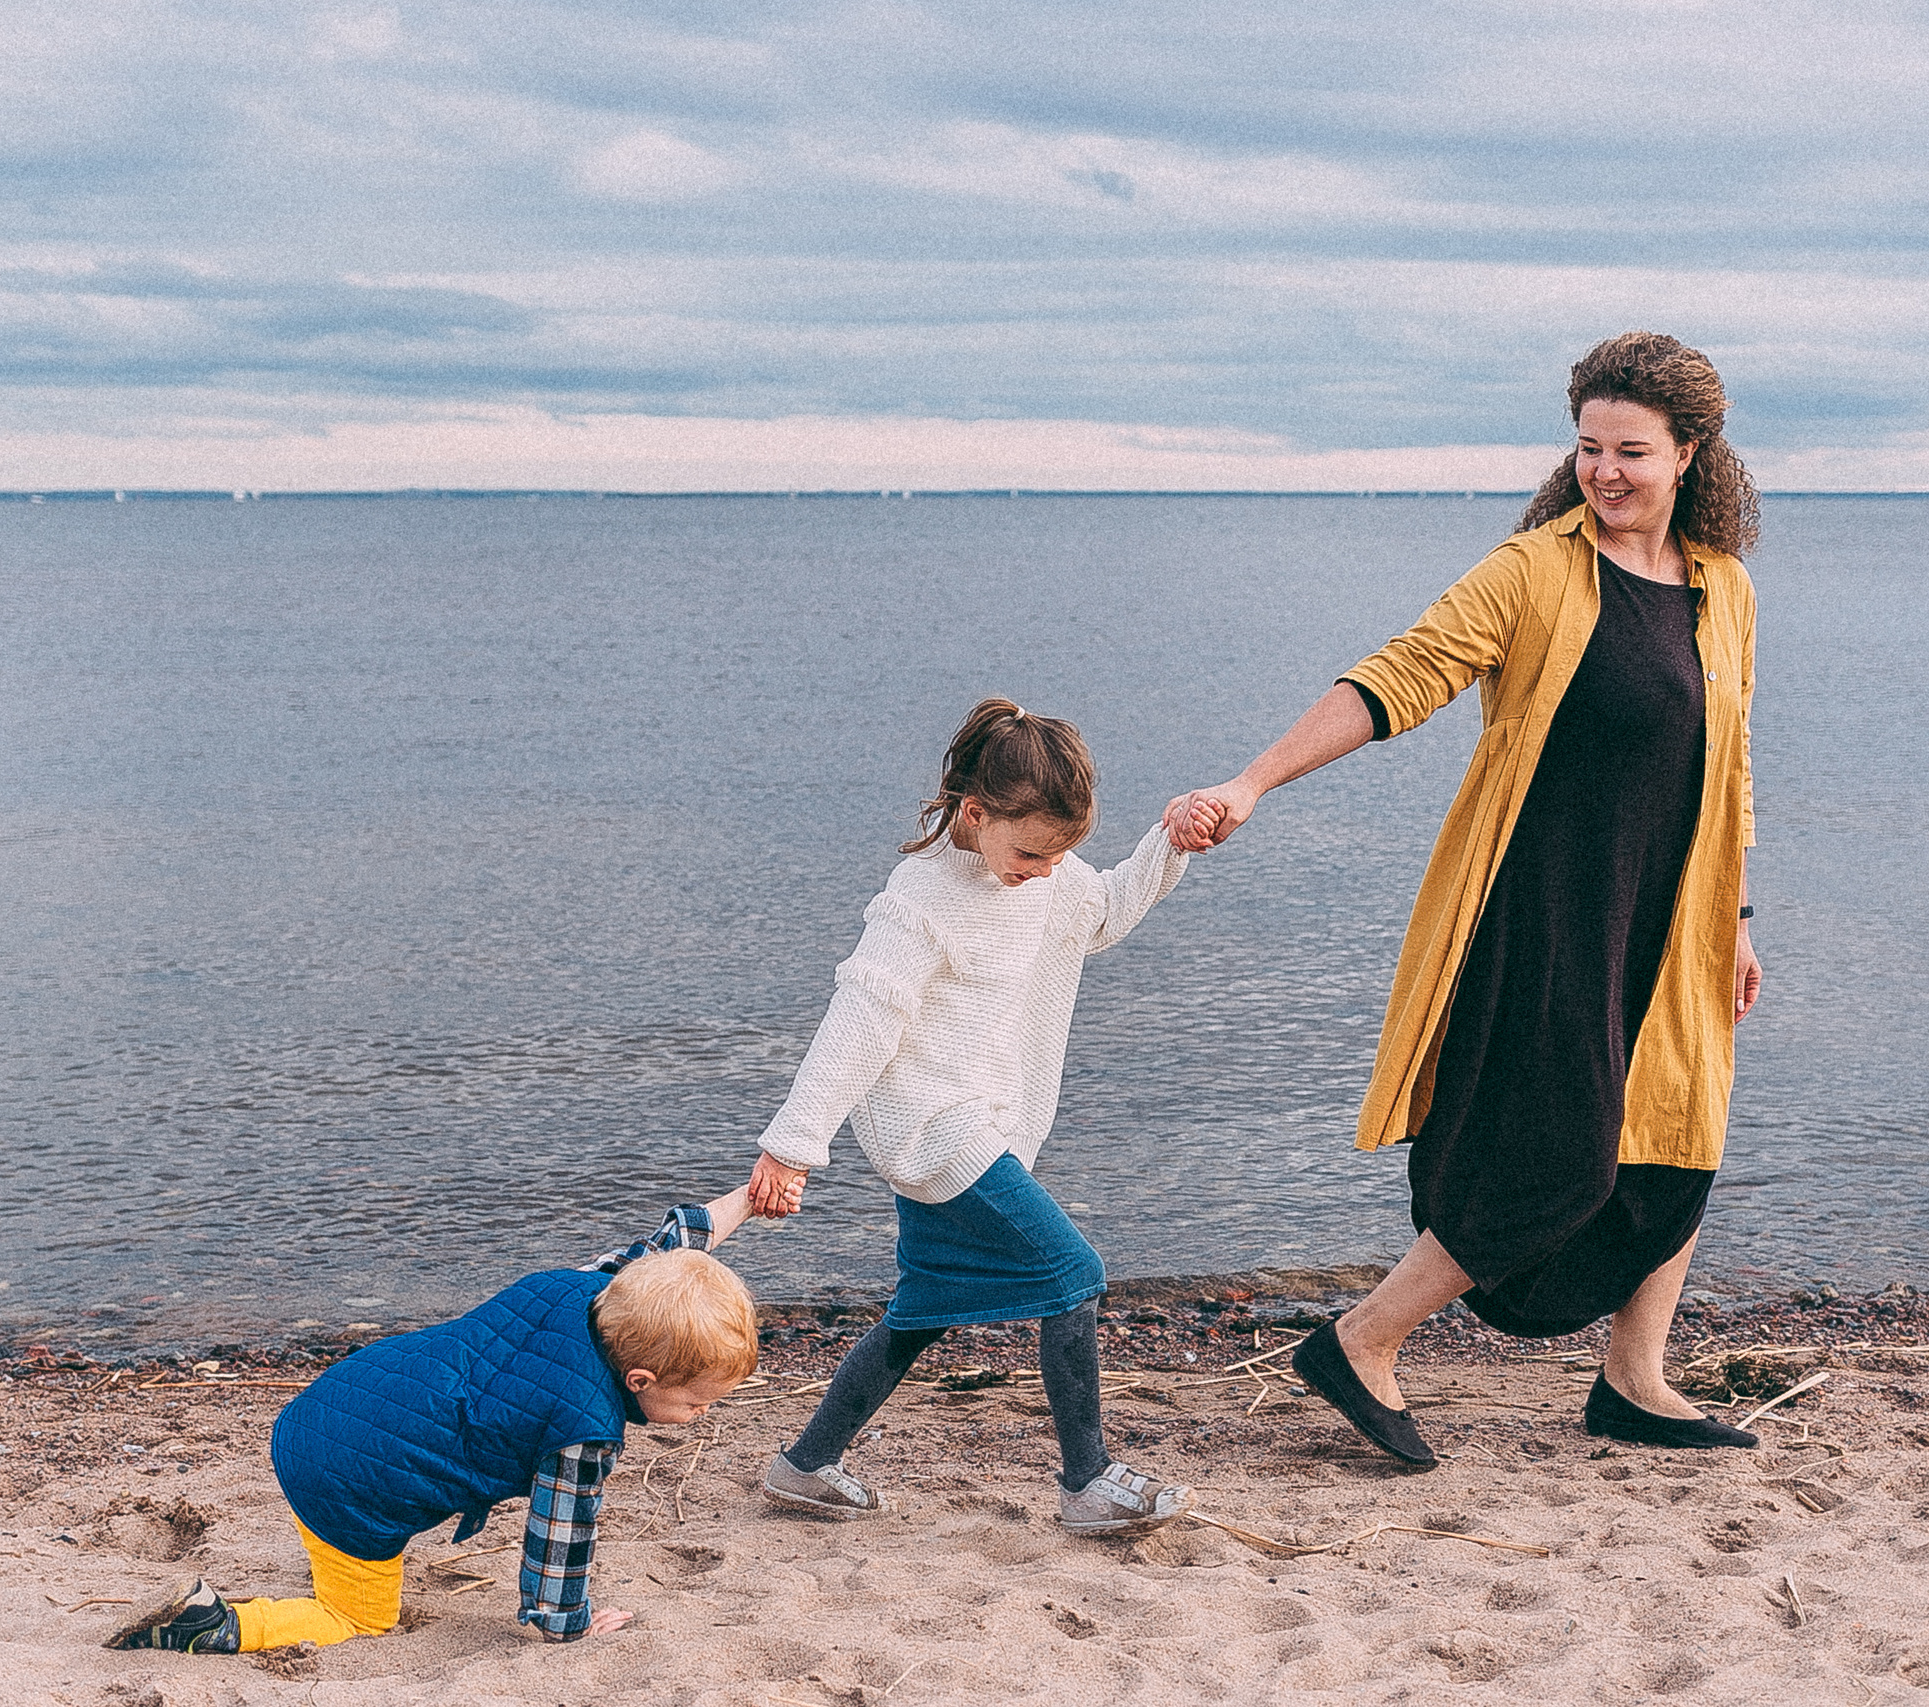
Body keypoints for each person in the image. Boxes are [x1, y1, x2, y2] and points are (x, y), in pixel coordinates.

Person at [1167, 331, 1766, 1463]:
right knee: (1556, 1153)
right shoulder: (1536, 569)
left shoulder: (1722, 590)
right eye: (1588, 447)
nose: (1604, 471)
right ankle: (1364, 1338)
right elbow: (1399, 676)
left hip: (1672, 913)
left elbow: (1727, 766)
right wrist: (1251, 781)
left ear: (1689, 453)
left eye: (1630, 451)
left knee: (1679, 1140)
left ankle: (1634, 1379)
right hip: (1544, 906)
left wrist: (1736, 918)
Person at [745, 697, 1211, 1534]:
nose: (1044, 869)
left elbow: (1098, 912)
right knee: (1073, 1274)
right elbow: (859, 1017)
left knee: (921, 1310)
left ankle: (804, 1465)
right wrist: (792, 1146)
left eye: (1061, 852)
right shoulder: (919, 902)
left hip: (984, 1124)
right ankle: (1086, 1481)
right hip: (934, 1130)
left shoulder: (1042, 874)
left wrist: (1168, 841)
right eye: (1032, 851)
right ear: (975, 812)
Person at [104, 1189, 764, 1655]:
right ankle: (209, 1624)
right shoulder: (584, 1430)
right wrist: (568, 1623)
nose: (700, 1414)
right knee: (360, 1616)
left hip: (331, 1401)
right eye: (697, 1401)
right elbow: (560, 1537)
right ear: (640, 1381)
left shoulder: (588, 1289)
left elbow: (666, 1248)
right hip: (345, 1479)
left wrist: (750, 1196)